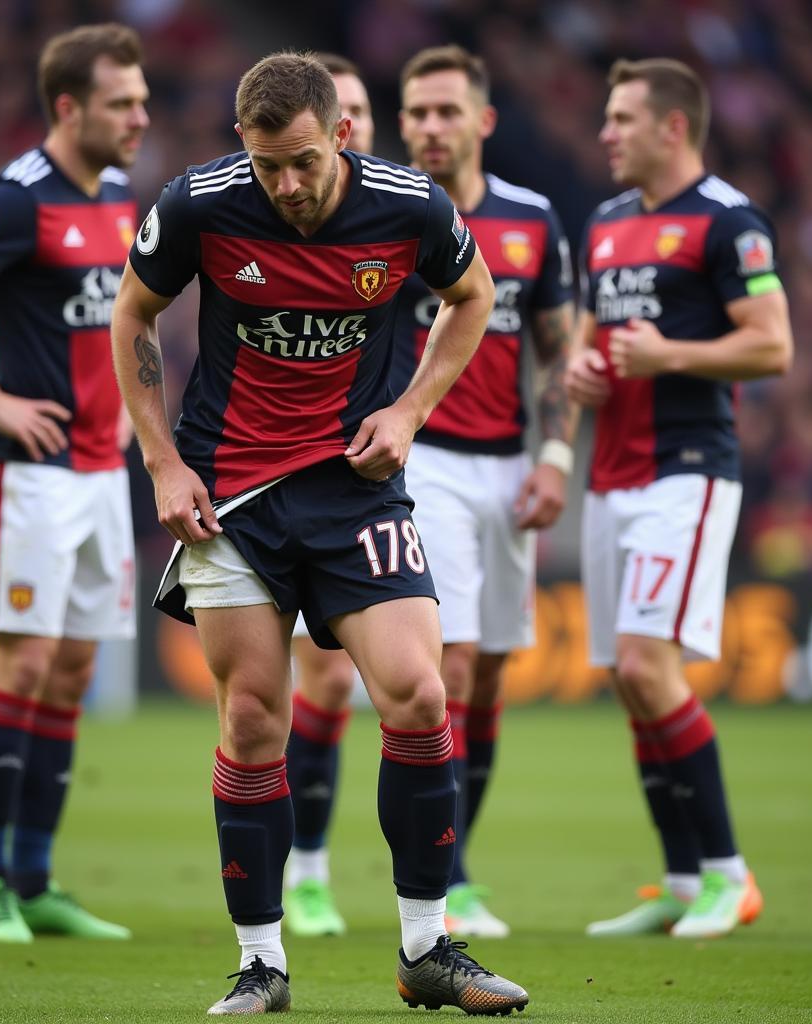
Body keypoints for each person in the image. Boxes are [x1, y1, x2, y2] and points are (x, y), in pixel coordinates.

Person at [110, 52, 529, 1016]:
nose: (285, 187)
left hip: (355, 493)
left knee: (422, 696)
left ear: (342, 134)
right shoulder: (198, 204)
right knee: (256, 719)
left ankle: (427, 949)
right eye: (266, 167)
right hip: (235, 500)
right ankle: (262, 964)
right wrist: (163, 463)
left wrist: (413, 412)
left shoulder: (411, 207)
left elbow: (474, 298)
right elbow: (134, 310)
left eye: (301, 162)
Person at [285, 44, 576, 941]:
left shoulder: (533, 222)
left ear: (482, 121)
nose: (429, 128)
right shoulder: (385, 214)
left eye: (446, 112)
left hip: (509, 462)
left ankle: (459, 866)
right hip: (421, 458)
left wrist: (557, 453)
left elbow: (558, 344)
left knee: (486, 676)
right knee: (433, 675)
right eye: (415, 114)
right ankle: (337, 874)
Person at [0, 23, 149, 944]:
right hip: (26, 473)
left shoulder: (122, 200)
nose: (140, 117)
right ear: (68, 107)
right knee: (26, 662)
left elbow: (131, 316)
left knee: (77, 666)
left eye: (142, 99)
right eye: (122, 102)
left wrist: (132, 406)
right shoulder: (16, 200)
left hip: (96, 467)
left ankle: (39, 879)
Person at [564, 57, 792, 938]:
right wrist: (587, 370)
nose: (605, 133)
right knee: (629, 676)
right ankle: (680, 878)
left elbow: (773, 348)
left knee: (649, 667)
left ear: (672, 127)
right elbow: (595, 339)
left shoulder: (729, 222)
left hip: (686, 471)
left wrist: (671, 358)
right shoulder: (608, 224)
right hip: (612, 474)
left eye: (621, 118)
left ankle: (732, 877)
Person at [283, 53, 374, 940]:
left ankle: (449, 879)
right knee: (327, 679)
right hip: (320, 475)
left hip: (425, 466)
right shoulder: (292, 221)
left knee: (440, 682)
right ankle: (307, 871)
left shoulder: (407, 217)